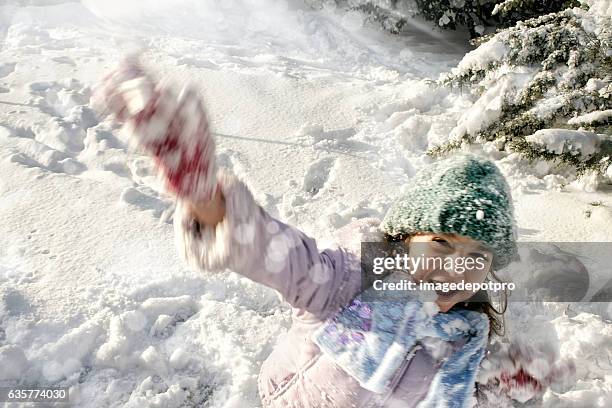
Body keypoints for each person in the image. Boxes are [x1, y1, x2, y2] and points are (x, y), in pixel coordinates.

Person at [96, 58, 572, 408]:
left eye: (476, 255)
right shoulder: (350, 281)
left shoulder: (464, 336)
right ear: (404, 239)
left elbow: (455, 395)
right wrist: (204, 196)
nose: (454, 266)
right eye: (442, 242)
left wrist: (501, 385)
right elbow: (279, 256)